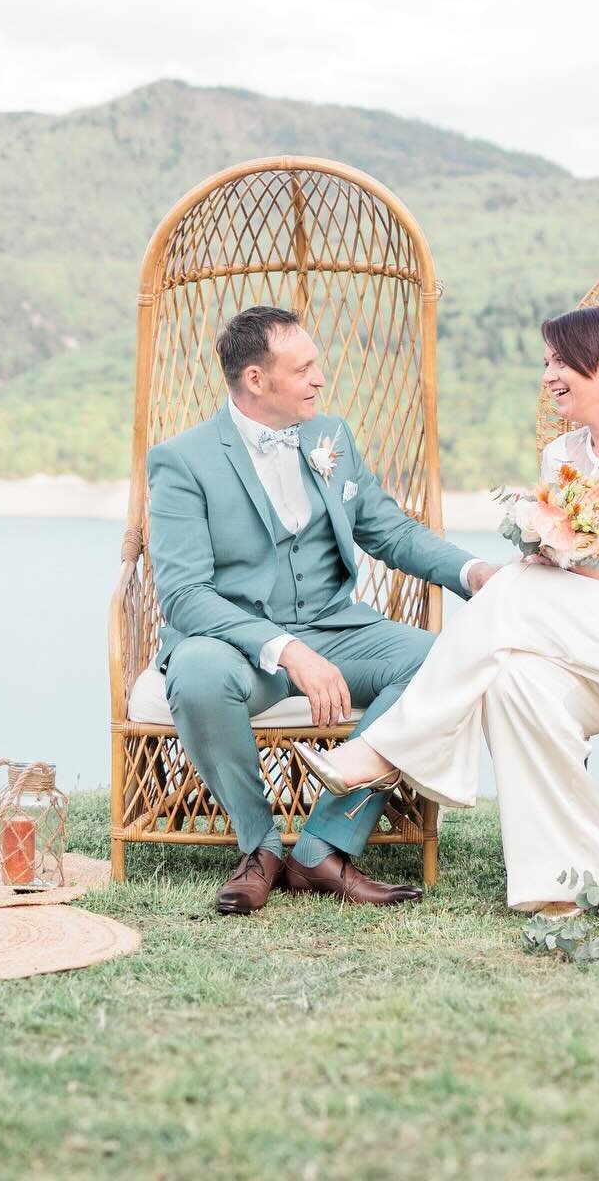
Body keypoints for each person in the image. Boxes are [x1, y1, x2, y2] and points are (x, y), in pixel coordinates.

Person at [297, 303, 599, 915]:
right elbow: (561, 570)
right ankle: (572, 882)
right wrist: (556, 554)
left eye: (560, 361)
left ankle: (385, 751)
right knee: (514, 680)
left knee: (514, 587)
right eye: (546, 363)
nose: (547, 376)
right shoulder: (561, 455)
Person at [147, 304, 500, 915]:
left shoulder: (330, 436)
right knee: (199, 676)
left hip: (337, 627)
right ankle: (259, 847)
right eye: (304, 367)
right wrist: (286, 649)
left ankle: (323, 849)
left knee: (442, 660)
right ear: (256, 380)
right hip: (233, 645)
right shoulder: (183, 462)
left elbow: (389, 531)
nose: (319, 378)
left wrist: (474, 573)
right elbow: (184, 594)